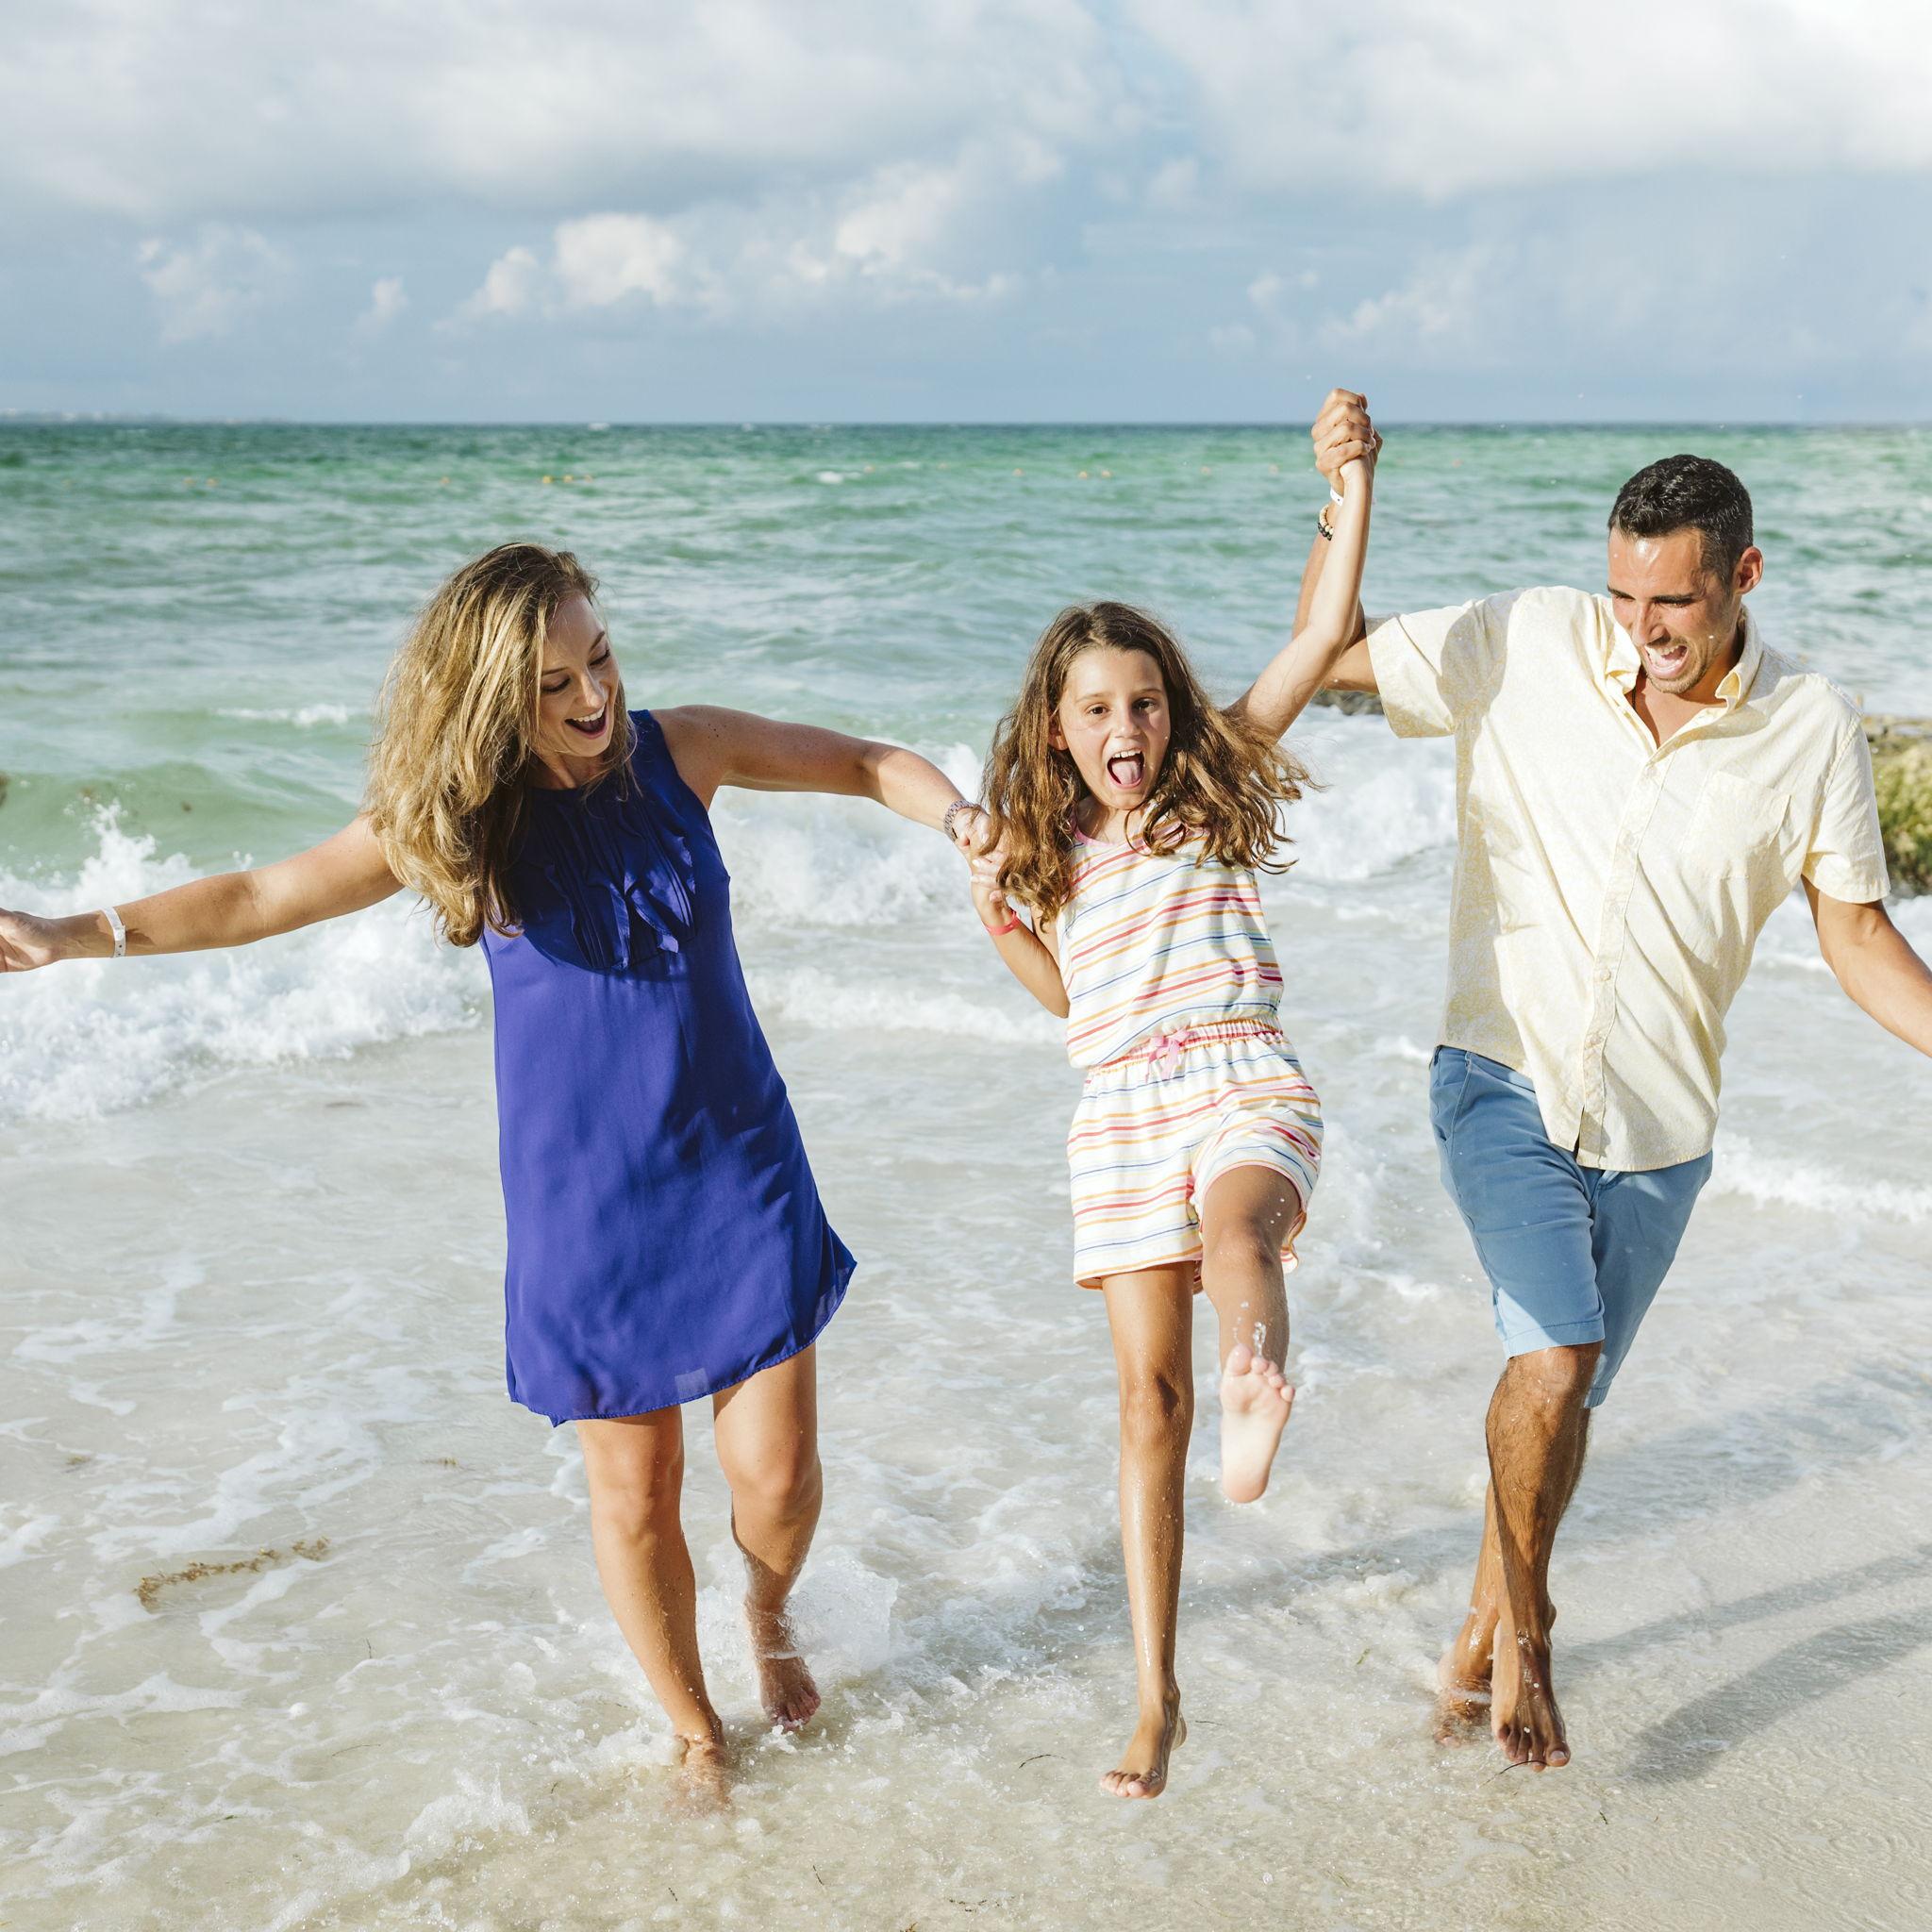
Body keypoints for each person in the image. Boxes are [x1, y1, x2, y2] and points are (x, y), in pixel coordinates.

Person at [0, 541, 990, 1802]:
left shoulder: (683, 752)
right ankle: (696, 1727)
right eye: (553, 685)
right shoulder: (460, 827)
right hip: (591, 1209)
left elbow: (859, 760)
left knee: (780, 1482)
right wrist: (71, 934)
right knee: (636, 1492)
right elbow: (256, 896)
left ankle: (766, 1605)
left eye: (601, 660)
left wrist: (960, 818)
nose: (594, 698)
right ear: (489, 701)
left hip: (737, 1162)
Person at [1299, 391, 1932, 1773]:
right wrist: (1348, 493)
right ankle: (1533, 1640)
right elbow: (1332, 656)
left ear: (1742, 577)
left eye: (1674, 603)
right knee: (1556, 1356)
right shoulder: (1526, 638)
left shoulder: (1810, 726)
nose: (1642, 627)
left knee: (1563, 1401)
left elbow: (1857, 937)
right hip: (1501, 1074)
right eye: (1624, 593)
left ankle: (1471, 1651)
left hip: (1661, 1128)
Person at [960, 432, 1376, 1799]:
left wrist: (1352, 485)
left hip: (1242, 1076)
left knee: (1241, 1234)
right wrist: (1000, 921)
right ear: (1056, 727)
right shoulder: (1048, 853)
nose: (1125, 728)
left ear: (1173, 712)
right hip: (1122, 1113)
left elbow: (1320, 633)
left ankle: (1257, 1385)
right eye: (1096, 709)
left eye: (1144, 701)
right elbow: (1069, 996)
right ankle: (1157, 1697)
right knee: (1147, 1404)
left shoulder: (1215, 784)